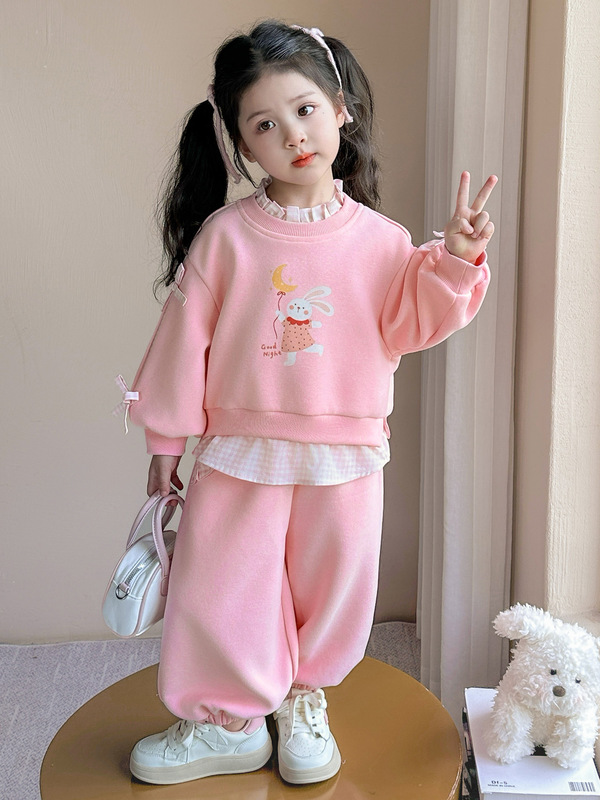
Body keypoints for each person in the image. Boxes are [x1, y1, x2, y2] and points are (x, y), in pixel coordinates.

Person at [119, 19, 497, 787]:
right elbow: (181, 344)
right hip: (238, 450)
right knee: (222, 587)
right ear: (241, 145)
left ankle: (302, 702)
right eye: (264, 124)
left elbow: (414, 321)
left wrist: (456, 258)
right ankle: (226, 723)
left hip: (345, 454)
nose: (292, 135)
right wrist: (165, 441)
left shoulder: (384, 242)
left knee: (333, 588)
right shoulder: (226, 239)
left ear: (340, 109)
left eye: (304, 109)